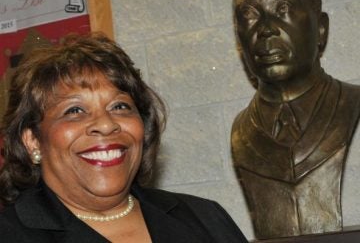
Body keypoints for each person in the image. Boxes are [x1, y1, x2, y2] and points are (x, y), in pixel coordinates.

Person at [0, 33, 248, 243]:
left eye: (120, 106)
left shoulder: (205, 218)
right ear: (32, 140)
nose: (106, 124)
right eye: (74, 111)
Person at [231, 0, 360, 239]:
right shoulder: (241, 133)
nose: (265, 30)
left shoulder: (351, 104)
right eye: (249, 14)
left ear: (321, 28)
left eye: (283, 9)